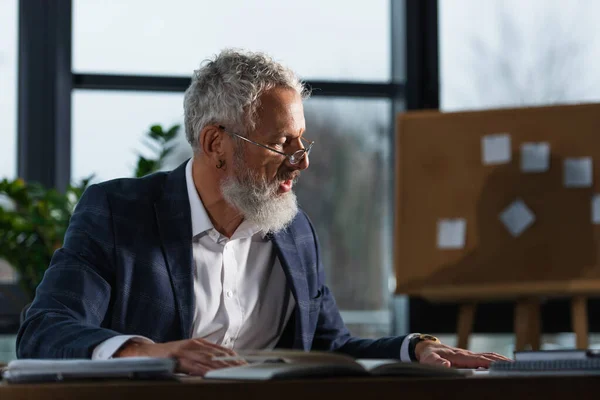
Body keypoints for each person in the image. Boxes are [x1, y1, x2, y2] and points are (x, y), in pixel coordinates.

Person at [16, 49, 510, 375]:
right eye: (280, 143)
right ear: (215, 143)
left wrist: (415, 349)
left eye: (302, 139)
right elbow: (44, 332)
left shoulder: (293, 231)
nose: (303, 160)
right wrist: (152, 353)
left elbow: (329, 347)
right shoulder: (119, 213)